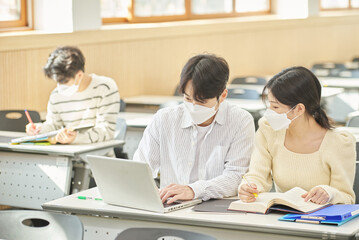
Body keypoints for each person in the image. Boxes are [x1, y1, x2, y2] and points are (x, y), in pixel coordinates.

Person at [133, 54, 255, 204]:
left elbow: (236, 177)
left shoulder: (240, 121)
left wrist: (193, 190)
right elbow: (140, 167)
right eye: (188, 98)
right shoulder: (164, 119)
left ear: (222, 95)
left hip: (217, 207)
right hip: (171, 205)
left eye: (202, 101)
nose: (193, 107)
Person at [238, 66, 356, 205]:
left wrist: (329, 193)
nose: (269, 112)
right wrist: (249, 187)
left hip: (322, 222)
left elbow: (347, 198)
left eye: (275, 107)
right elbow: (257, 175)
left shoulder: (339, 142)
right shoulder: (269, 130)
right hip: (281, 217)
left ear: (299, 109)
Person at [26, 46, 120, 144]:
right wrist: (39, 129)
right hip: (67, 155)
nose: (61, 86)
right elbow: (53, 125)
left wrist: (76, 138)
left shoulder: (105, 87)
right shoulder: (56, 95)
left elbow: (107, 131)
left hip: (97, 156)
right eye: (58, 81)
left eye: (64, 81)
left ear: (79, 75)